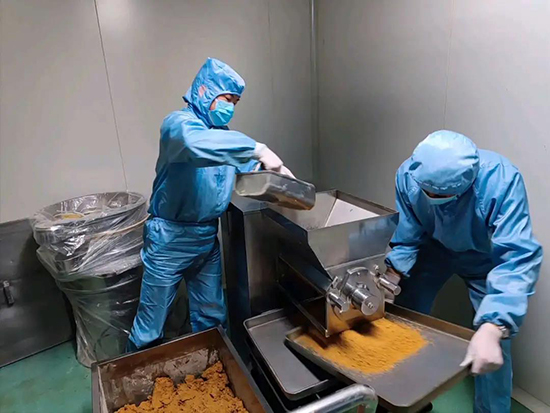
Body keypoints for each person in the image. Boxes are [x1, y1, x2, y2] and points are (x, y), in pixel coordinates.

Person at [127, 57, 292, 351]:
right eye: (227, 99)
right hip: (169, 240)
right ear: (205, 91)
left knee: (212, 316)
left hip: (205, 238)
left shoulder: (224, 137)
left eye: (236, 102)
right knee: (151, 325)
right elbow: (195, 144)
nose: (231, 107)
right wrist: (259, 149)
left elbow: (249, 170)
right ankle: (135, 373)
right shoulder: (178, 125)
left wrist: (282, 181)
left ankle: (212, 369)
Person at [384, 130, 542, 412]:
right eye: (428, 192)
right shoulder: (409, 175)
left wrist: (496, 325)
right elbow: (409, 229)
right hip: (433, 250)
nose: (433, 198)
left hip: (483, 258)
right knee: (405, 316)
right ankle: (408, 398)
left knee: (493, 348)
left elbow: (517, 257)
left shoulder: (502, 180)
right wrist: (393, 272)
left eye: (443, 195)